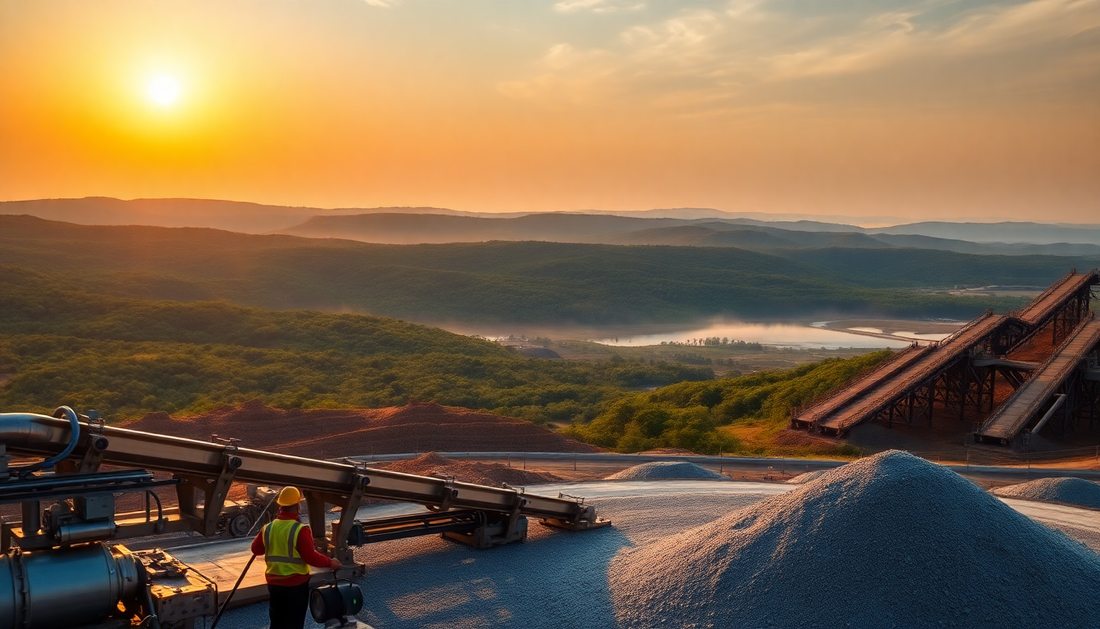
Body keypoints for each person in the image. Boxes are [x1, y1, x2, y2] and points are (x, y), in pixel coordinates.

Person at [251, 486, 342, 629]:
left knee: (277, 622)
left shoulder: (268, 528)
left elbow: (256, 550)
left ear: (280, 506)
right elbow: (311, 557)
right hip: (295, 586)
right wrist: (331, 562)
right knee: (294, 623)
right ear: (297, 506)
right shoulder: (300, 530)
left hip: (274, 585)